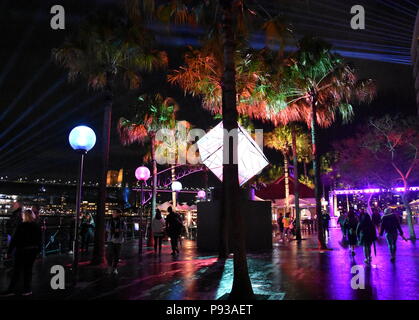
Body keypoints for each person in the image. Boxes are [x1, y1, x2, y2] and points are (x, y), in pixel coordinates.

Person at [1, 209, 41, 296]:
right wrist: (38, 251)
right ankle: (27, 290)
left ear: (24, 216)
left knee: (16, 271)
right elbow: (39, 241)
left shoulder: (21, 226)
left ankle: (11, 290)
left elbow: (14, 240)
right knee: (28, 271)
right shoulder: (36, 226)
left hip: (21, 251)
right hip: (32, 251)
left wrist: (9, 252)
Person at [106, 209, 126, 275]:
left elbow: (125, 229)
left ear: (118, 214)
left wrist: (119, 230)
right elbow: (107, 229)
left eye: (114, 213)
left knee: (117, 255)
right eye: (113, 212)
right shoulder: (109, 221)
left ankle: (114, 268)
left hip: (118, 241)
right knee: (110, 255)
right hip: (111, 240)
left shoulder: (122, 222)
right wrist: (112, 230)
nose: (113, 214)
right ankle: (109, 267)